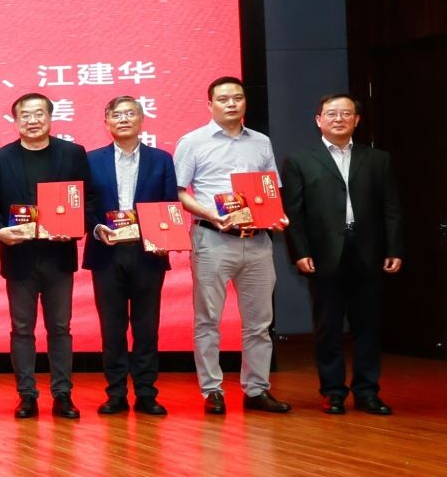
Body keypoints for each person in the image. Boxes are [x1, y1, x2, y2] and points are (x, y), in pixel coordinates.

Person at [281, 93, 404, 415]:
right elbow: (294, 212)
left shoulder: (378, 159)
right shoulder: (299, 160)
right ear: (318, 120)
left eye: (346, 114)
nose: (339, 119)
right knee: (328, 327)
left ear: (357, 120)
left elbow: (391, 208)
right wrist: (300, 251)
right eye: (332, 113)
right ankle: (333, 392)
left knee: (368, 327)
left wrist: (394, 248)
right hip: (323, 254)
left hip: (369, 251)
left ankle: (367, 392)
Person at [173, 77, 289, 415]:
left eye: (237, 97)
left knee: (259, 322)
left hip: (257, 241)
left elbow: (270, 189)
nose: (232, 104)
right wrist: (209, 212)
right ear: (210, 104)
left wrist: (277, 215)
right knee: (208, 319)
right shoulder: (192, 142)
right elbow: (178, 192)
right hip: (212, 238)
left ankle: (257, 390)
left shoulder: (261, 142)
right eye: (223, 99)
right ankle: (212, 390)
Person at [0, 93, 98, 420]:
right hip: (19, 255)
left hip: (59, 254)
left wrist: (76, 228)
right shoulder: (0, 158)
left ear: (49, 117)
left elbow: (88, 198)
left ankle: (63, 394)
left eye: (38, 114)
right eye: (25, 115)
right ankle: (27, 395)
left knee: (60, 327)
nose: (32, 121)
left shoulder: (72, 153)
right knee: (22, 329)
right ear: (16, 120)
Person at [84, 96, 177, 416]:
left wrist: (164, 237)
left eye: (129, 114)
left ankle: (147, 392)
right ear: (106, 122)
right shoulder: (90, 160)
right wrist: (97, 228)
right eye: (116, 115)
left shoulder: (161, 159)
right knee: (112, 328)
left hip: (147, 253)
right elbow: (84, 204)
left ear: (141, 120)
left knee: (146, 326)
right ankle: (116, 393)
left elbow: (169, 203)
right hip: (106, 251)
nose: (123, 119)